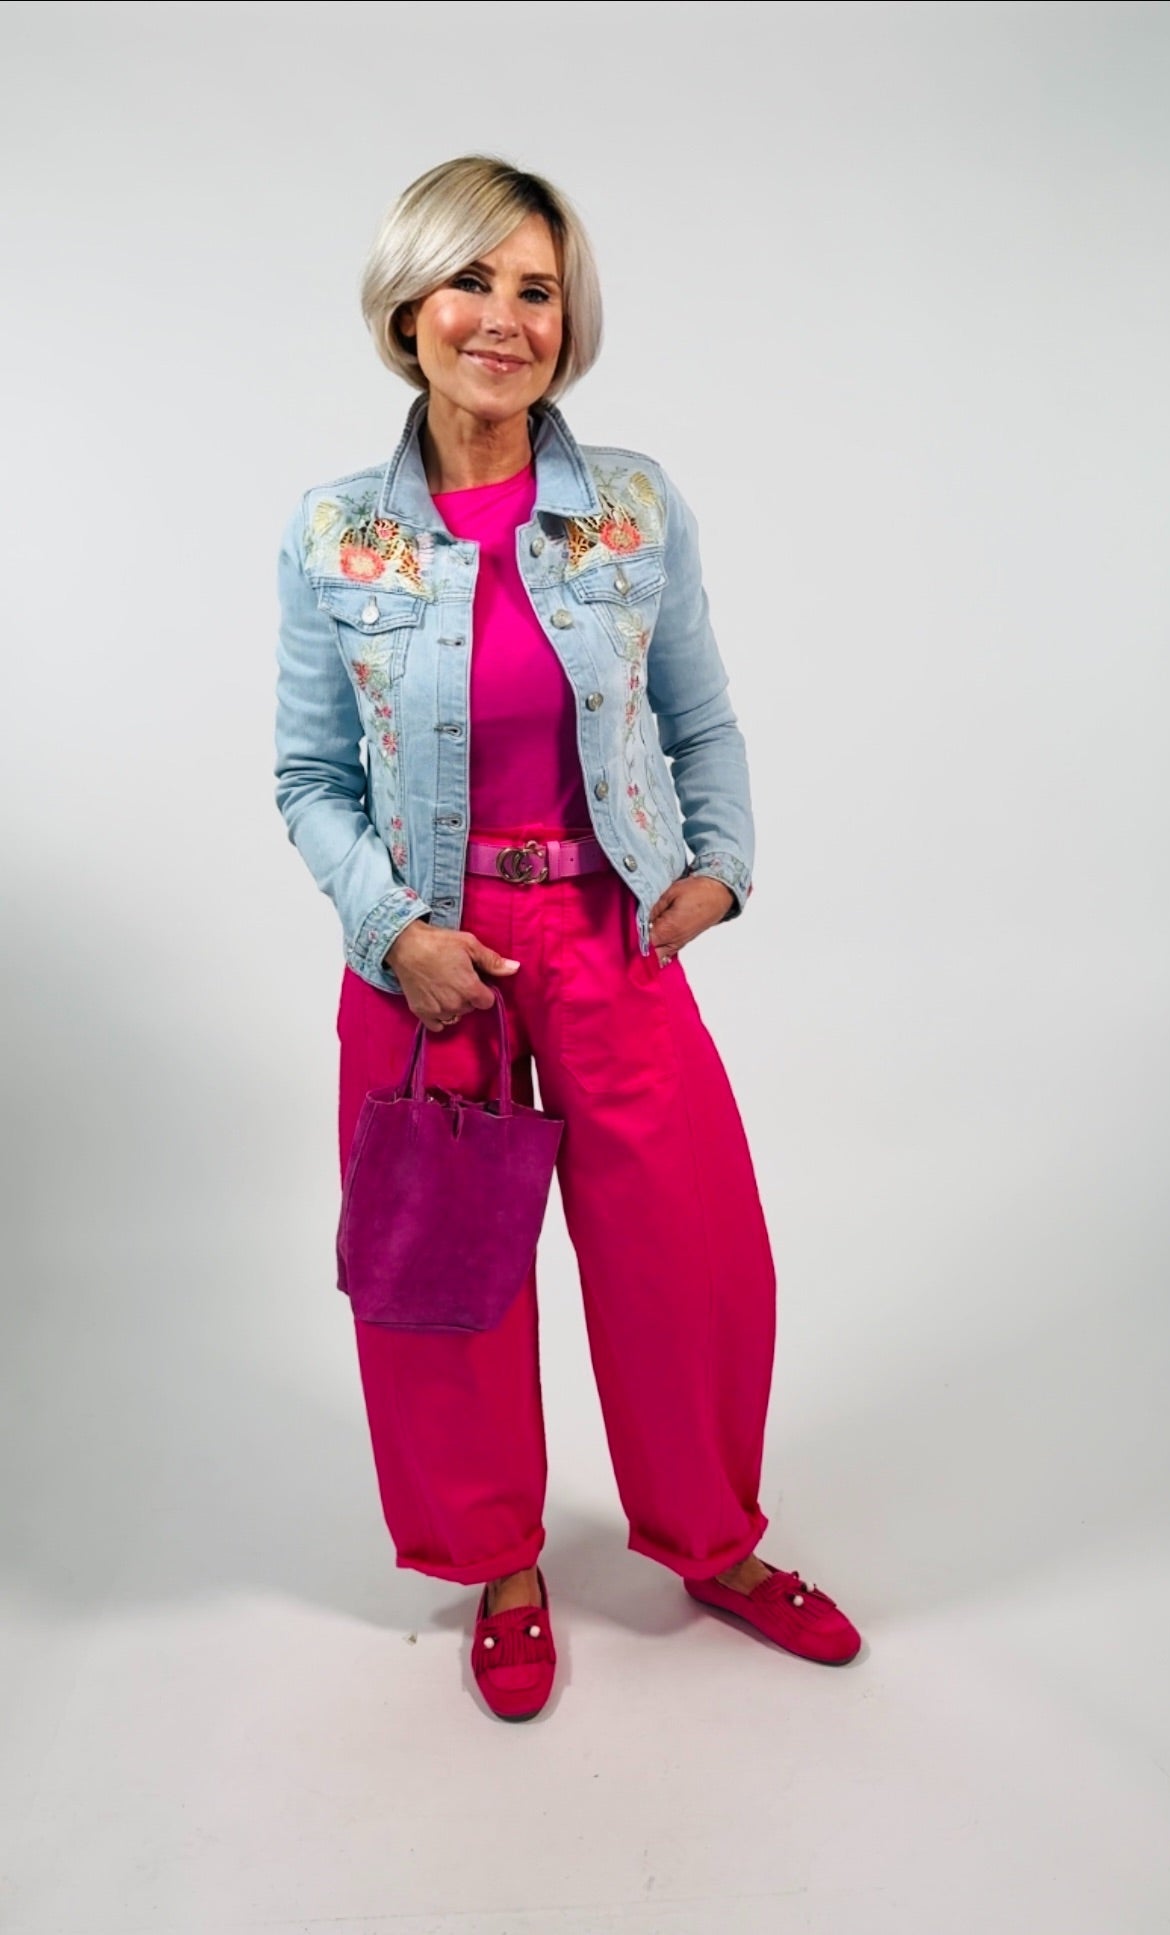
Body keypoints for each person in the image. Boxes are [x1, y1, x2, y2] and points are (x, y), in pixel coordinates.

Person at [273, 155, 861, 1721]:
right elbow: (310, 777)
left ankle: (716, 1544)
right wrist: (394, 931)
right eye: (471, 281)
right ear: (409, 306)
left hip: (608, 932)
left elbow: (700, 716)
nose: (503, 318)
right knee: (440, 1278)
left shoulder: (629, 509)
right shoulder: (337, 534)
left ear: (567, 321)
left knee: (687, 1255)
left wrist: (721, 867)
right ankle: (499, 1568)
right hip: (428, 958)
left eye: (536, 290)